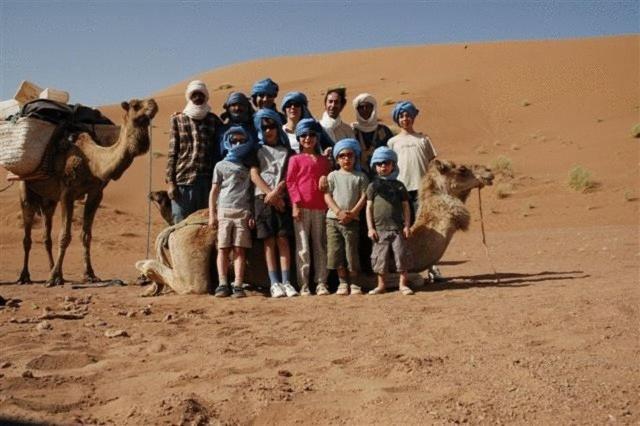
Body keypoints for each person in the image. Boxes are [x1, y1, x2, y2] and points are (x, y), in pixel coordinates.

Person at [387, 100, 444, 282]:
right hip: (401, 192)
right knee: (405, 229)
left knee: (427, 230)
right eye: (402, 115)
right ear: (398, 119)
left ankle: (433, 268)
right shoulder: (392, 142)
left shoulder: (423, 139)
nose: (406, 118)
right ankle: (406, 267)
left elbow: (433, 164)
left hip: (422, 190)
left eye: (408, 115)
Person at [250, 108, 298, 298]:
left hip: (282, 198)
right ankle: (274, 283)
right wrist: (270, 194)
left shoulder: (288, 151)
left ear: (278, 128)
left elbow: (289, 175)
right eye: (264, 128)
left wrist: (277, 193)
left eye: (271, 127)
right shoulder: (256, 150)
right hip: (262, 199)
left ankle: (287, 281)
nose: (268, 130)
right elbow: (254, 174)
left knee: (283, 239)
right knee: (268, 241)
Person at [285, 118, 331, 296]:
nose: (308, 138)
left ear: (317, 137)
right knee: (303, 247)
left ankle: (321, 283)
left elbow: (328, 181)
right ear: (298, 138)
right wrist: (295, 204)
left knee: (320, 245)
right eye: (303, 135)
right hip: (302, 208)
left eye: (312, 135)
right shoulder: (295, 159)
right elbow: (290, 182)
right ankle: (303, 284)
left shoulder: (323, 161)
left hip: (320, 208)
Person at [166, 80, 223, 224]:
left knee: (203, 226)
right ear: (189, 97)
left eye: (201, 95)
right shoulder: (177, 120)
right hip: (183, 182)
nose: (198, 98)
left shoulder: (213, 120)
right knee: (180, 225)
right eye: (194, 95)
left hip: (206, 183)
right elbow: (172, 152)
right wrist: (171, 182)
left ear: (206, 97)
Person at [208, 126, 256, 298]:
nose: (237, 143)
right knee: (223, 248)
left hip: (243, 212)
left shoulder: (248, 165)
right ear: (227, 141)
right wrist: (212, 214)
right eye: (234, 140)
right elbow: (214, 191)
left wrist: (252, 213)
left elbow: (251, 192)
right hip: (224, 211)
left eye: (241, 141)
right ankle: (222, 283)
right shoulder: (220, 165)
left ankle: (238, 284)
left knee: (239, 249)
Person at [366, 147, 414, 296]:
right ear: (375, 166)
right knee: (380, 258)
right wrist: (370, 228)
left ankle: (403, 285)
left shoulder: (399, 185)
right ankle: (381, 286)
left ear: (393, 165)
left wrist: (407, 225)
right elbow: (369, 208)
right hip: (379, 230)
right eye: (379, 164)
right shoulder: (373, 186)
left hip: (397, 229)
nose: (383, 166)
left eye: (386, 163)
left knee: (401, 256)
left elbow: (406, 207)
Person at [324, 138, 369, 295]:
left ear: (355, 157)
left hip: (352, 220)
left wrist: (354, 213)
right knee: (336, 251)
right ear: (337, 159)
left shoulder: (360, 176)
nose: (346, 159)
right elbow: (327, 196)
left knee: (351, 252)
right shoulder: (332, 176)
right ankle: (342, 282)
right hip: (333, 220)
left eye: (350, 155)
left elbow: (364, 196)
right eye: (342, 156)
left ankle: (354, 283)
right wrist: (338, 212)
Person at [351, 93, 394, 176]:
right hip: (358, 177)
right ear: (357, 110)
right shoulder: (352, 131)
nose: (365, 109)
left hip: (382, 176)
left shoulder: (384, 131)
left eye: (368, 106)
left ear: (373, 108)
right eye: (361, 107)